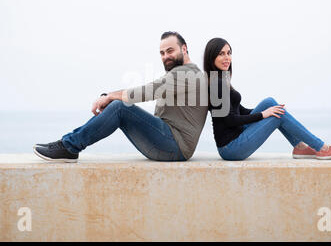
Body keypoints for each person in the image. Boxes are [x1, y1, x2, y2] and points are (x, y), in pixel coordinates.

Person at [33, 31, 208, 162]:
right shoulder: (180, 73)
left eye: (170, 51)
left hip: (175, 146)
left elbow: (148, 91)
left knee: (120, 107)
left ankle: (69, 147)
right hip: (168, 144)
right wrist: (110, 97)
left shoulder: (189, 74)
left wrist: (110, 97)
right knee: (117, 105)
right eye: (162, 53)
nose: (165, 57)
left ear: (184, 49)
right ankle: (68, 144)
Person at [203, 37, 331, 161]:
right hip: (232, 148)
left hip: (236, 138)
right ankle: (321, 147)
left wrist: (266, 110)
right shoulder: (217, 84)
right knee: (276, 115)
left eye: (229, 53)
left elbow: (239, 111)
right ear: (212, 57)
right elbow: (230, 120)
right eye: (221, 54)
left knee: (270, 103)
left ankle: (300, 147)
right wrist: (263, 115)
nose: (227, 57)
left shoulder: (220, 79)